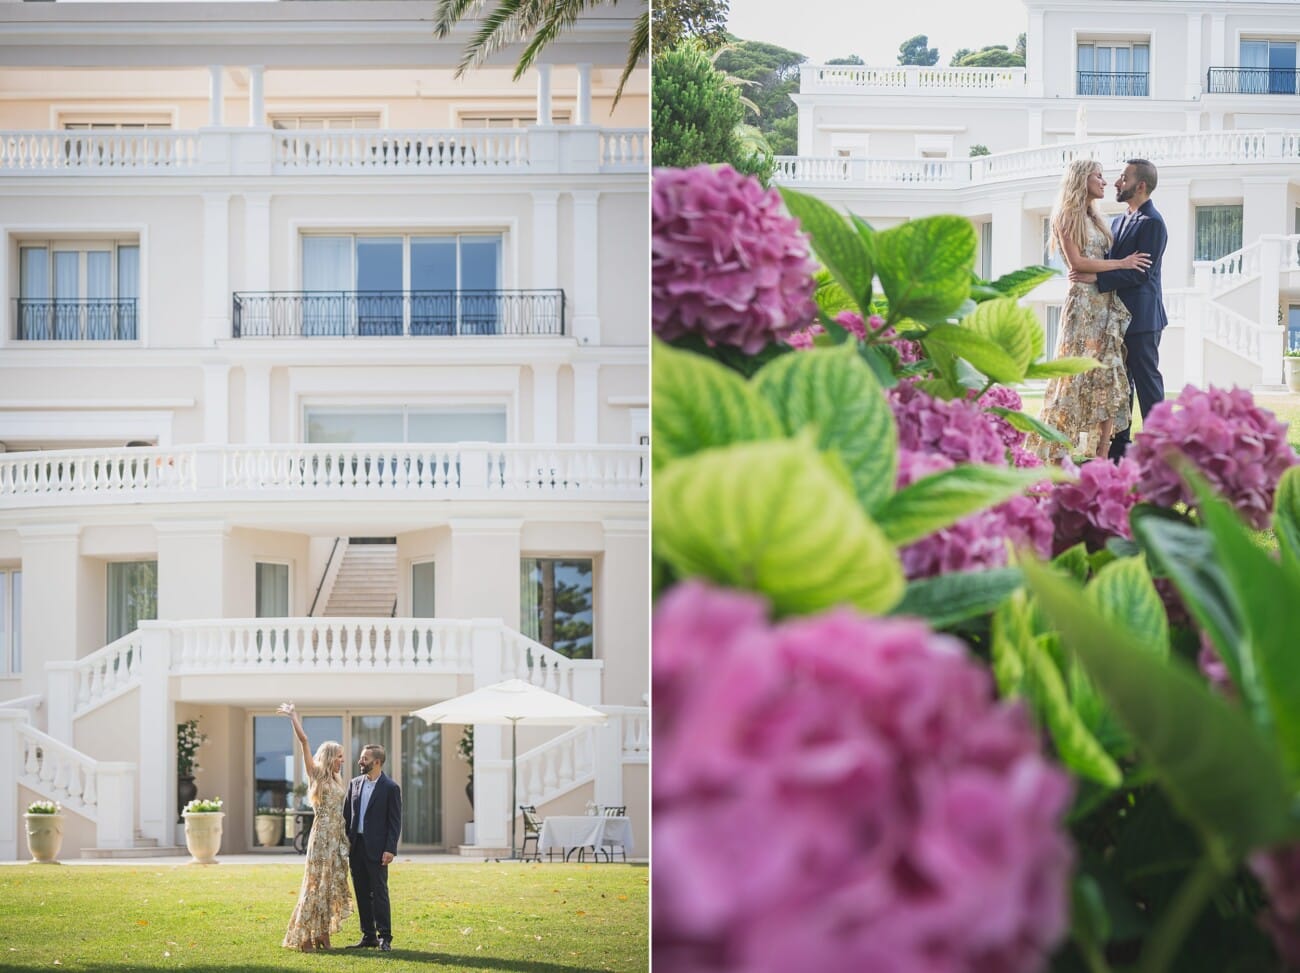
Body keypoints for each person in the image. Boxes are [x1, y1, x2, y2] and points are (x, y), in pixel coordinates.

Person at [1030, 158, 1151, 463]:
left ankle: (1102, 452)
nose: (1104, 181)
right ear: (1081, 179)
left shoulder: (1096, 217)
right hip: (1083, 307)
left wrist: (1100, 274)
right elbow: (1077, 264)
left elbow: (1090, 266)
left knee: (1108, 373)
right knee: (1073, 374)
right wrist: (1121, 264)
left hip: (1105, 303)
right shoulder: (1067, 215)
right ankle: (1058, 451)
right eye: (1098, 176)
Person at [1069, 158, 1169, 459]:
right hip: (1113, 317)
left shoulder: (1153, 223)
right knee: (1119, 383)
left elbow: (1141, 273)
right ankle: (1119, 445)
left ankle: (1158, 446)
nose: (1115, 182)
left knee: (1146, 380)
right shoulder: (1118, 220)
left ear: (1140, 185)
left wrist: (1096, 277)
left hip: (1142, 317)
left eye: (1123, 178)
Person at [278, 702, 353, 952]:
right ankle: (304, 937)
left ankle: (322, 934)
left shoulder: (336, 778)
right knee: (314, 885)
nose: (342, 760)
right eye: (340, 756)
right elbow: (304, 741)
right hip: (321, 837)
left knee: (329, 885)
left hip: (336, 838)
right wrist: (293, 716)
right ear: (331, 756)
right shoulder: (317, 774)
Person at [343, 743, 402, 952]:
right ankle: (368, 936)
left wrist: (390, 849)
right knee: (361, 892)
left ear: (377, 762)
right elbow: (346, 817)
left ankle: (385, 937)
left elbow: (394, 822)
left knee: (379, 893)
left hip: (378, 851)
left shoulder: (391, 788)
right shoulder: (354, 784)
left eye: (365, 758)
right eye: (361, 758)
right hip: (356, 848)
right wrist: (345, 843)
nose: (360, 761)